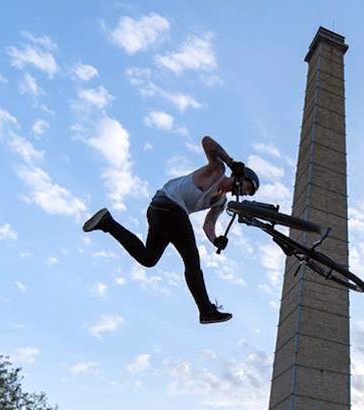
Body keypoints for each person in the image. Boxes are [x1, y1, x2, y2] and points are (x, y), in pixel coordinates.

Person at [83, 136, 260, 325]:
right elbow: (207, 141)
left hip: (160, 213)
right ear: (241, 176)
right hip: (169, 206)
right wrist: (231, 162)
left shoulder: (220, 202)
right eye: (246, 187)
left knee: (148, 258)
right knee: (192, 259)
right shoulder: (217, 171)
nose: (243, 193)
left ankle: (107, 222)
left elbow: (208, 225)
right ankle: (206, 310)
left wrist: (216, 240)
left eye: (247, 193)